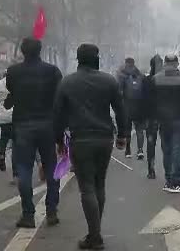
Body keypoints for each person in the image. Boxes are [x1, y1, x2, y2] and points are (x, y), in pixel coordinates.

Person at [53, 44, 129, 249]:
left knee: (86, 187)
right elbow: (121, 110)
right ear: (96, 59)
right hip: (105, 138)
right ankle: (95, 232)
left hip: (81, 139)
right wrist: (123, 135)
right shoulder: (109, 81)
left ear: (78, 59)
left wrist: (59, 141)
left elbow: (58, 115)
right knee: (99, 184)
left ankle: (94, 236)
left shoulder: (67, 82)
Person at [5, 37, 63, 228]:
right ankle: (52, 210)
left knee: (23, 169)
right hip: (47, 123)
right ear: (40, 50)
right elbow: (59, 99)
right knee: (51, 168)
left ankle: (28, 214)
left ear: (22, 51)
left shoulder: (13, 72)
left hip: (23, 125)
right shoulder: (52, 71)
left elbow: (11, 91)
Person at [149, 55, 180, 193]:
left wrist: (156, 115)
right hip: (178, 119)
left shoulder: (156, 79)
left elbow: (151, 100)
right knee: (177, 149)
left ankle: (168, 179)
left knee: (166, 149)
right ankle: (176, 181)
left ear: (165, 63)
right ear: (176, 63)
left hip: (163, 120)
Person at [117, 57, 145, 159]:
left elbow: (119, 92)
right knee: (139, 130)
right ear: (134, 63)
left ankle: (128, 150)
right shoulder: (140, 75)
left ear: (126, 63)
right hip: (139, 107)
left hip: (127, 107)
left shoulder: (122, 75)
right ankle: (140, 150)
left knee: (127, 130)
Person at [0, 71, 17, 183]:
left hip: (4, 116)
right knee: (16, 141)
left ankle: (2, 155)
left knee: (4, 137)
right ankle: (16, 168)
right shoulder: (17, 83)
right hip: (16, 116)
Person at [142, 55, 164, 179]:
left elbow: (143, 99)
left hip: (152, 117)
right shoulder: (166, 80)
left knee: (151, 143)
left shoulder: (147, 80)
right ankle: (165, 169)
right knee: (164, 143)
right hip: (162, 116)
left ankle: (151, 169)